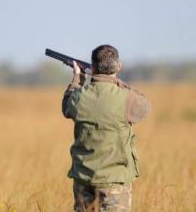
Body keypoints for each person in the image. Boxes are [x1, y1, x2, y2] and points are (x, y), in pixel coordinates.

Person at [62, 45, 151, 212]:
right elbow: (145, 107)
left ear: (93, 67)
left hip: (83, 179)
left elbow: (66, 106)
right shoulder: (126, 98)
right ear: (118, 66)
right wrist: (119, 83)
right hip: (115, 182)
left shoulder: (79, 97)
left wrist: (77, 78)